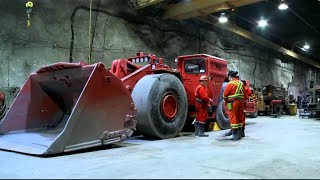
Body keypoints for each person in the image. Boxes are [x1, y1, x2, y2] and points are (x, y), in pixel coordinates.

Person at [223, 70, 245, 140]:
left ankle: (235, 135)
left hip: (233, 102)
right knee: (240, 117)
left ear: (230, 76)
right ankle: (241, 133)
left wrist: (226, 99)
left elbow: (225, 95)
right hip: (241, 102)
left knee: (233, 117)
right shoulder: (241, 83)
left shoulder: (230, 84)